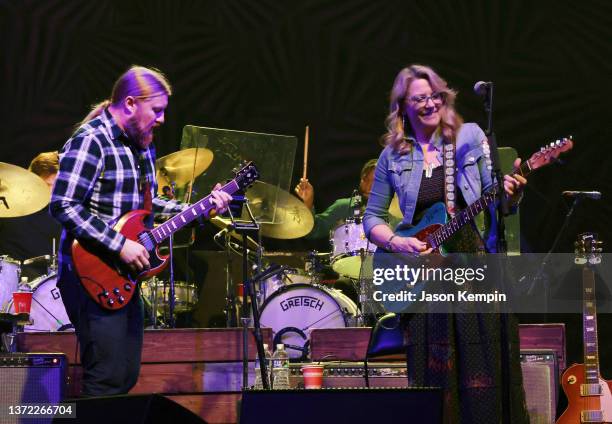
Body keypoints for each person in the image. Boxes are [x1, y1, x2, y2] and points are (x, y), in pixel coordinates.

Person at [49, 66, 232, 396]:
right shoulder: (91, 141)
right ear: (131, 103)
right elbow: (63, 205)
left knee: (126, 377)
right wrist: (119, 245)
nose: (162, 119)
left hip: (121, 276)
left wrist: (204, 209)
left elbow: (150, 209)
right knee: (105, 379)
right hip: (88, 274)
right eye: (157, 110)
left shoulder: (142, 145)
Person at [363, 64, 528, 422]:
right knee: (434, 373)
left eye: (434, 95)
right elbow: (371, 218)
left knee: (483, 367)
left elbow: (493, 197)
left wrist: (511, 196)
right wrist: (396, 242)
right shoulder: (394, 155)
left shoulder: (468, 136)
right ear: (403, 107)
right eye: (419, 98)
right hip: (425, 269)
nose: (429, 104)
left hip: (471, 266)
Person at [0, 152, 62, 279]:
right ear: (31, 183)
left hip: (52, 288)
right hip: (13, 286)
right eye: (48, 185)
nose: (54, 192)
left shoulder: (64, 216)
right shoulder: (8, 210)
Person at [294, 159, 378, 240]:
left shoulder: (391, 211)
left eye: (376, 182)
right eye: (365, 180)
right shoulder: (343, 207)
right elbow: (312, 231)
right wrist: (308, 201)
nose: (368, 187)